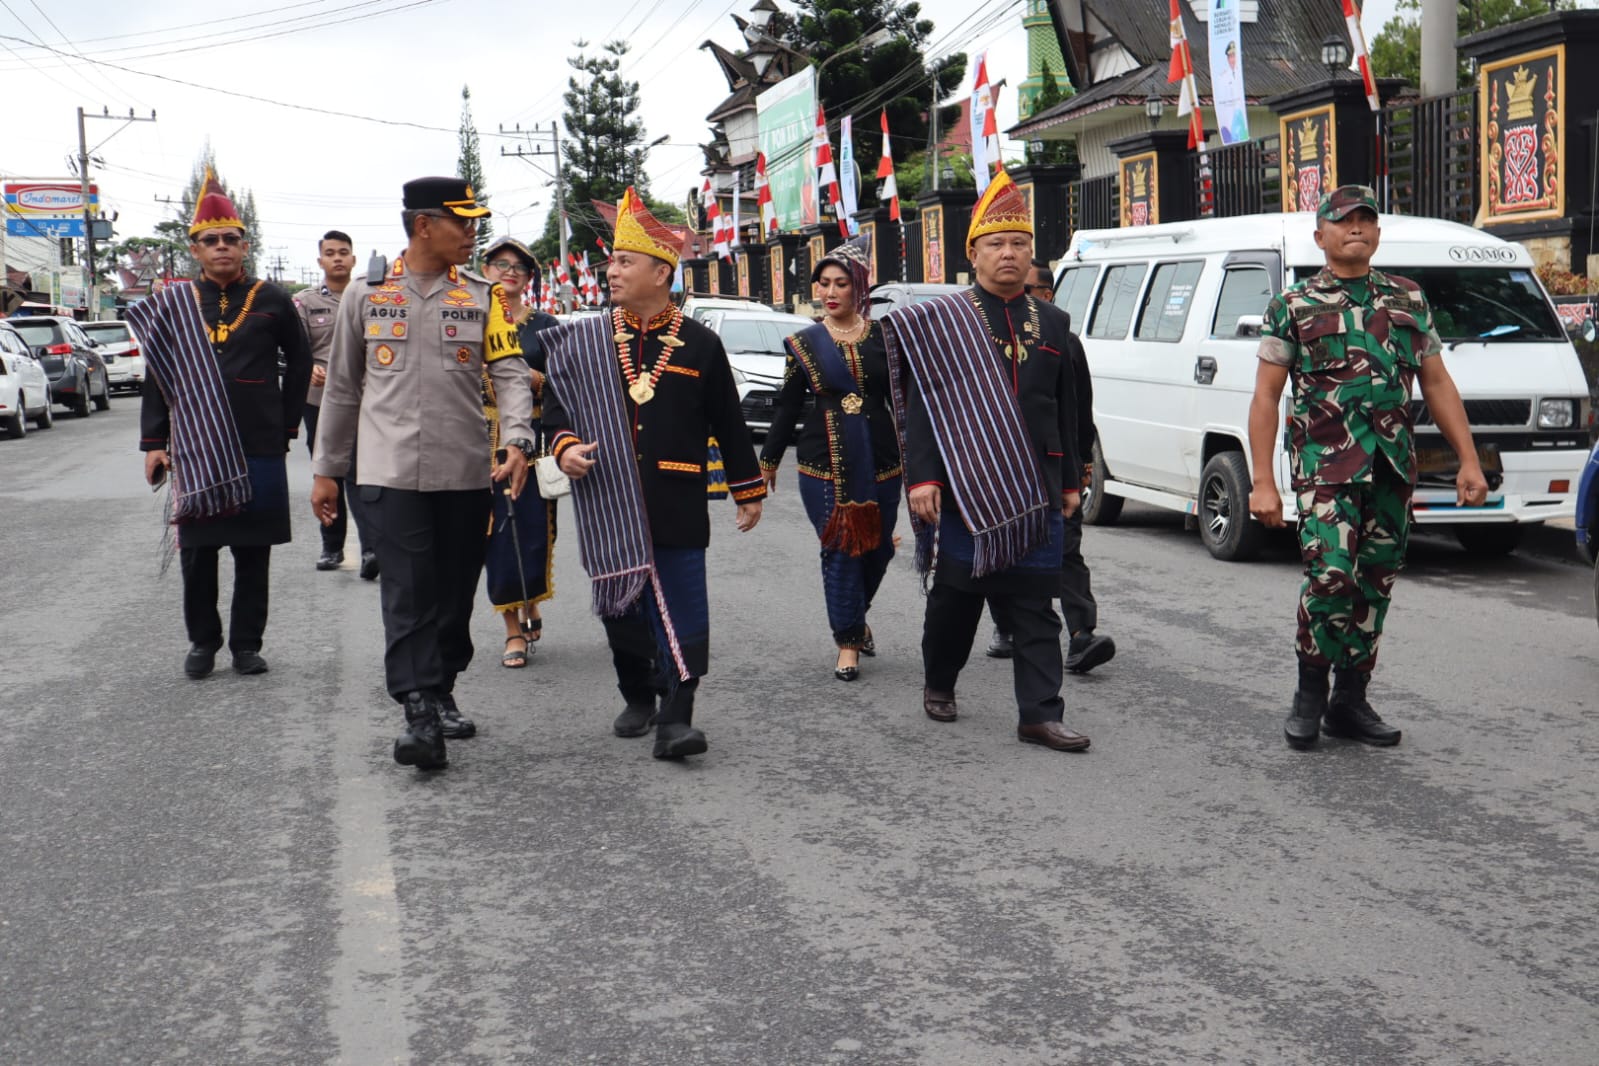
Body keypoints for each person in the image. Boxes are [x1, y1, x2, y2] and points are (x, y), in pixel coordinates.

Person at [1248, 185, 1488, 751]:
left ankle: (1350, 700)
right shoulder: (1294, 305)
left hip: (1390, 467)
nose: (1356, 227)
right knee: (1331, 576)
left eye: (1366, 220)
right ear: (1321, 236)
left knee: (1375, 581)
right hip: (1325, 467)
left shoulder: (1408, 299)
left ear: (1377, 234)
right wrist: (1263, 481)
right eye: (1344, 220)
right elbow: (1265, 397)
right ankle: (1310, 692)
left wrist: (1469, 460)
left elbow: (1436, 381)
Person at [311, 177, 534, 771]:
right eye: (462, 223)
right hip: (386, 472)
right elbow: (342, 387)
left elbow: (510, 373)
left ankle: (440, 687)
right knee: (407, 590)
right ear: (423, 225)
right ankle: (416, 712)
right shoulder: (366, 295)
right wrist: (328, 471)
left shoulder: (482, 296)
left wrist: (516, 440)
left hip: (464, 472)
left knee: (454, 594)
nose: (472, 234)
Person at [542, 187, 764, 760]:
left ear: (661, 273)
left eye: (623, 261)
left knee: (685, 603)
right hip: (608, 493)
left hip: (678, 492)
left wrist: (748, 489)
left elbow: (729, 424)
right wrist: (563, 445)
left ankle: (678, 717)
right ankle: (638, 693)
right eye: (612, 260)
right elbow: (557, 406)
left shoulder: (701, 344)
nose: (610, 271)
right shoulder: (586, 339)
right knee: (624, 603)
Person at [882, 170, 1091, 753]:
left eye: (1019, 244)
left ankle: (1039, 713)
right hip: (964, 485)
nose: (1009, 254)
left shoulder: (1054, 322)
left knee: (1035, 603)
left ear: (1032, 253)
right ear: (971, 253)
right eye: (996, 244)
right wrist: (922, 476)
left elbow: (1066, 406)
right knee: (956, 597)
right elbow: (922, 405)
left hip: (1036, 486)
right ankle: (940, 681)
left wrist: (1071, 480)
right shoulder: (943, 320)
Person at [130, 176, 313, 680]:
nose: (222, 247)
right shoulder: (176, 303)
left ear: (244, 245)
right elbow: (157, 375)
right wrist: (154, 443)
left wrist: (288, 425)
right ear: (196, 249)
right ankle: (202, 643)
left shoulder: (273, 297)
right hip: (194, 444)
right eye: (211, 240)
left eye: (230, 239)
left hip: (259, 440)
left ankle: (247, 645)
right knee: (199, 551)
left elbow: (299, 365)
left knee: (253, 550)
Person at [760, 236, 901, 682]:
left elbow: (905, 400)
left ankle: (855, 617)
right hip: (823, 464)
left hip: (883, 460)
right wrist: (768, 459)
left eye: (841, 283)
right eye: (824, 283)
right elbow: (787, 406)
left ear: (859, 288)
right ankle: (848, 641)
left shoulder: (886, 337)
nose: (831, 292)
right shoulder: (805, 343)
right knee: (841, 549)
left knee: (876, 550)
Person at [986, 258, 1116, 676]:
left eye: (1029, 291)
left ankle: (1081, 636)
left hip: (1052, 467)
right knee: (1000, 553)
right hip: (997, 467)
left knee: (1065, 549)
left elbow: (1079, 409)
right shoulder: (984, 335)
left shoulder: (1062, 338)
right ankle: (1006, 627)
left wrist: (1080, 466)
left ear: (1047, 295)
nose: (1019, 299)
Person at [479, 236, 560, 668]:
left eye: (519, 267)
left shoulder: (546, 326)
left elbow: (567, 387)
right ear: (485, 269)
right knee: (495, 537)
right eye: (500, 264)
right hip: (478, 440)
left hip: (531, 438)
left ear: (529, 279)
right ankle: (511, 628)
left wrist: (534, 381)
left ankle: (532, 599)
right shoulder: (469, 317)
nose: (509, 271)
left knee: (533, 534)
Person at [294, 229, 377, 579]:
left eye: (343, 252)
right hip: (320, 401)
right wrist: (308, 366)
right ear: (320, 261)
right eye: (330, 253)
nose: (338, 258)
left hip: (366, 399)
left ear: (354, 259)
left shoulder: (370, 297)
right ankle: (332, 546)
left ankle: (372, 546)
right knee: (328, 472)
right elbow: (294, 349)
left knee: (364, 472)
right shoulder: (305, 302)